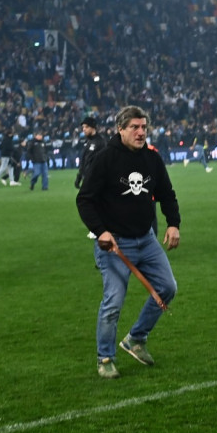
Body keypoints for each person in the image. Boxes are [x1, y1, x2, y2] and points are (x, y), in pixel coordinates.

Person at [76, 105, 180, 379]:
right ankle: (105, 357)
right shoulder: (105, 158)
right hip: (115, 244)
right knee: (113, 301)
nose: (140, 132)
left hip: (145, 239)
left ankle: (136, 338)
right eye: (134, 127)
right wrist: (101, 231)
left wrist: (172, 223)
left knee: (167, 288)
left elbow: (167, 194)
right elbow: (84, 199)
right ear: (120, 129)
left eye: (144, 127)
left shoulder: (152, 159)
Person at [74, 116, 106, 189]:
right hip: (87, 177)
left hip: (95, 179)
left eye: (86, 127)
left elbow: (104, 161)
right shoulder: (88, 141)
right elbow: (85, 160)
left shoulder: (100, 142)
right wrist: (80, 175)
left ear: (93, 127)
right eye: (83, 127)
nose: (84, 129)